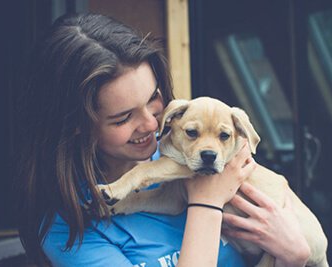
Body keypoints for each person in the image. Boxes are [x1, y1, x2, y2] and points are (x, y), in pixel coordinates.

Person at [16, 13, 311, 267]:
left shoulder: (185, 156)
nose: (151, 124)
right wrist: (207, 202)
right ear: (76, 126)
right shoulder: (70, 229)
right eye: (123, 118)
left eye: (153, 98)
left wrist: (294, 256)